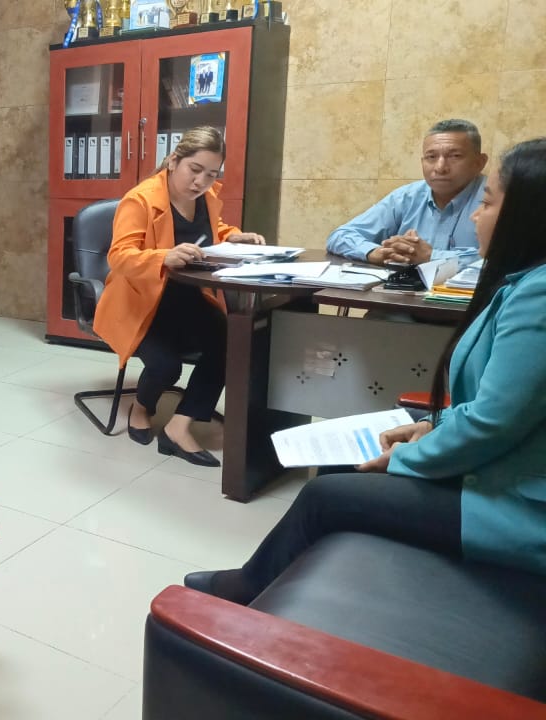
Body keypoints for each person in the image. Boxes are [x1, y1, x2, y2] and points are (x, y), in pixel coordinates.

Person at [187, 137, 546, 605]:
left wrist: (411, 455)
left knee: (326, 495)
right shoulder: (423, 209)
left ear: (526, 216)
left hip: (515, 506)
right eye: (431, 155)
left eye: (489, 203)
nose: (478, 214)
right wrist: (430, 426)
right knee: (342, 462)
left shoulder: (537, 296)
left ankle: (251, 593)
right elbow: (343, 236)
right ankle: (304, 594)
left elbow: (494, 422)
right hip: (495, 463)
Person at [92, 126, 264, 467]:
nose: (201, 182)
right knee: (166, 366)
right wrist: (163, 257)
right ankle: (142, 407)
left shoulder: (207, 199)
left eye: (211, 174)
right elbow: (119, 256)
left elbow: (210, 232)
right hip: (141, 303)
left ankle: (179, 426)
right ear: (173, 161)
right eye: (194, 169)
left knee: (231, 342)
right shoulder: (141, 199)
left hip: (186, 299)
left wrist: (233, 235)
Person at [326, 119, 488, 266]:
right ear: (422, 162)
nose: (440, 167)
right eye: (431, 157)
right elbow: (340, 236)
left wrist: (431, 256)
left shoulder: (495, 200)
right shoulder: (407, 197)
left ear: (479, 162)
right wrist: (378, 252)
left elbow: (501, 261)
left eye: (455, 156)